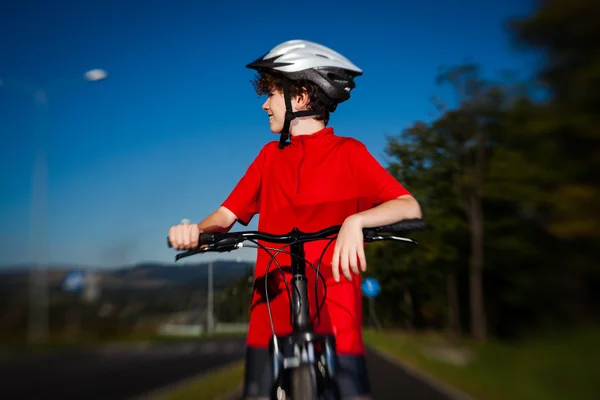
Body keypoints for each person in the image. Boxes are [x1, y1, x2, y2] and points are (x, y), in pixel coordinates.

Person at [168, 39, 422, 400]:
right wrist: (195, 231)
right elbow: (225, 215)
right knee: (257, 393)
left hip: (337, 314)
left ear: (300, 96)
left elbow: (407, 205)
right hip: (270, 311)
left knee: (351, 392)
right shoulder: (269, 158)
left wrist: (357, 222)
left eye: (271, 93)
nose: (264, 104)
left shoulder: (349, 153)